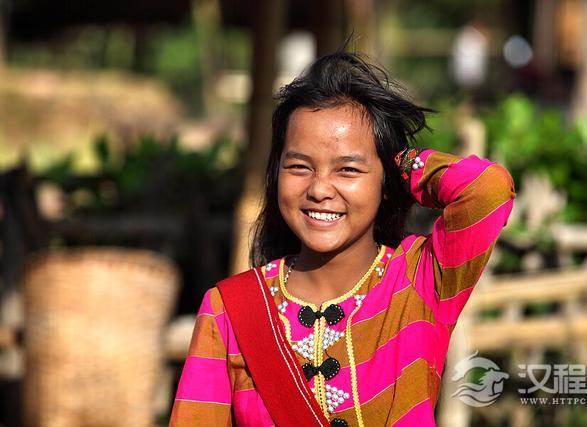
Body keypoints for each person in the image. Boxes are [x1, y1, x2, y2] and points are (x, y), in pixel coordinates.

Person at [169, 50, 516, 426]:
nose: (319, 189)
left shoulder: (418, 281)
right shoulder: (229, 310)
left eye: (348, 169)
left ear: (385, 182)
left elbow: (488, 190)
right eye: (298, 166)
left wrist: (400, 163)